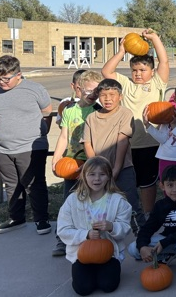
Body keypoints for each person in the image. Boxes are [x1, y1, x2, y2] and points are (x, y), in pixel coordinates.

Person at [101, 28, 169, 220]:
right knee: (128, 182)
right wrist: (122, 51)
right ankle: (129, 214)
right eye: (134, 70)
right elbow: (106, 71)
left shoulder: (157, 83)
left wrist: (154, 38)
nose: (138, 74)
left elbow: (164, 61)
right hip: (127, 144)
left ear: (152, 71)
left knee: (147, 183)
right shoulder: (125, 83)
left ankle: (148, 214)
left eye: (142, 70)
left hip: (150, 143)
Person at [0, 55, 53, 235]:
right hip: (3, 148)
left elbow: (47, 111)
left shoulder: (34, 89)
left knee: (34, 185)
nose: (1, 81)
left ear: (19, 74)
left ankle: (42, 220)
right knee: (11, 185)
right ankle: (16, 218)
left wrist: (39, 133)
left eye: (6, 78)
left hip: (30, 146)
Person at [56, 157, 132, 296]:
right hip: (81, 254)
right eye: (92, 174)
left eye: (102, 174)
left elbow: (125, 227)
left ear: (109, 176)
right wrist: (86, 234)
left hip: (109, 253)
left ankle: (105, 271)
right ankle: (89, 273)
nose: (97, 179)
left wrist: (112, 227)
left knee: (108, 285)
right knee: (83, 289)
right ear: (83, 176)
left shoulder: (118, 201)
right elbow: (63, 229)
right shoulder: (73, 200)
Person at [51, 70, 103, 256]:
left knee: (92, 202)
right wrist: (56, 157)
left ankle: (93, 236)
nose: (93, 96)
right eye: (89, 92)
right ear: (79, 89)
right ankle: (62, 239)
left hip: (91, 164)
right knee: (68, 202)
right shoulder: (69, 110)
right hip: (71, 164)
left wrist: (89, 164)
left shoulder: (98, 112)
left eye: (97, 92)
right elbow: (64, 136)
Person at [83, 79, 143, 234]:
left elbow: (122, 142)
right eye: (103, 95)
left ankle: (142, 238)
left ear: (120, 97)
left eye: (112, 94)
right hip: (98, 172)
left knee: (131, 203)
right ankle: (99, 237)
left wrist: (115, 169)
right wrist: (95, 168)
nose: (107, 99)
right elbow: (87, 144)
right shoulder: (91, 118)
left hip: (123, 168)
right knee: (99, 204)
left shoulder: (125, 113)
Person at [128, 165, 176, 277]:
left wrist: (165, 243)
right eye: (170, 185)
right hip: (168, 240)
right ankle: (165, 255)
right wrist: (142, 246)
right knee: (133, 249)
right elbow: (147, 228)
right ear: (162, 186)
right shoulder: (160, 205)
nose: (175, 189)